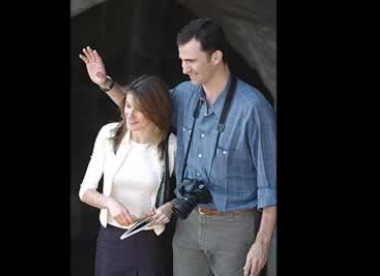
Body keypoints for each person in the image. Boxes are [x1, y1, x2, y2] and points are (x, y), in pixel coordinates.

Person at [79, 17, 276, 276]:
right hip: (188, 223)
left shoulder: (253, 107)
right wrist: (106, 83)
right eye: (182, 60)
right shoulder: (185, 94)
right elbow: (141, 109)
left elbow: (270, 184)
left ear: (216, 57)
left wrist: (262, 243)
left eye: (191, 61)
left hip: (235, 227)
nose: (184, 68)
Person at [76, 68, 177, 275]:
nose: (130, 114)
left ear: (155, 111)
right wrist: (110, 203)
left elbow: (184, 192)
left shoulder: (172, 145)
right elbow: (85, 191)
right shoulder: (108, 134)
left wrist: (169, 207)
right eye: (128, 105)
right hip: (111, 241)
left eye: (138, 109)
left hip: (151, 244)